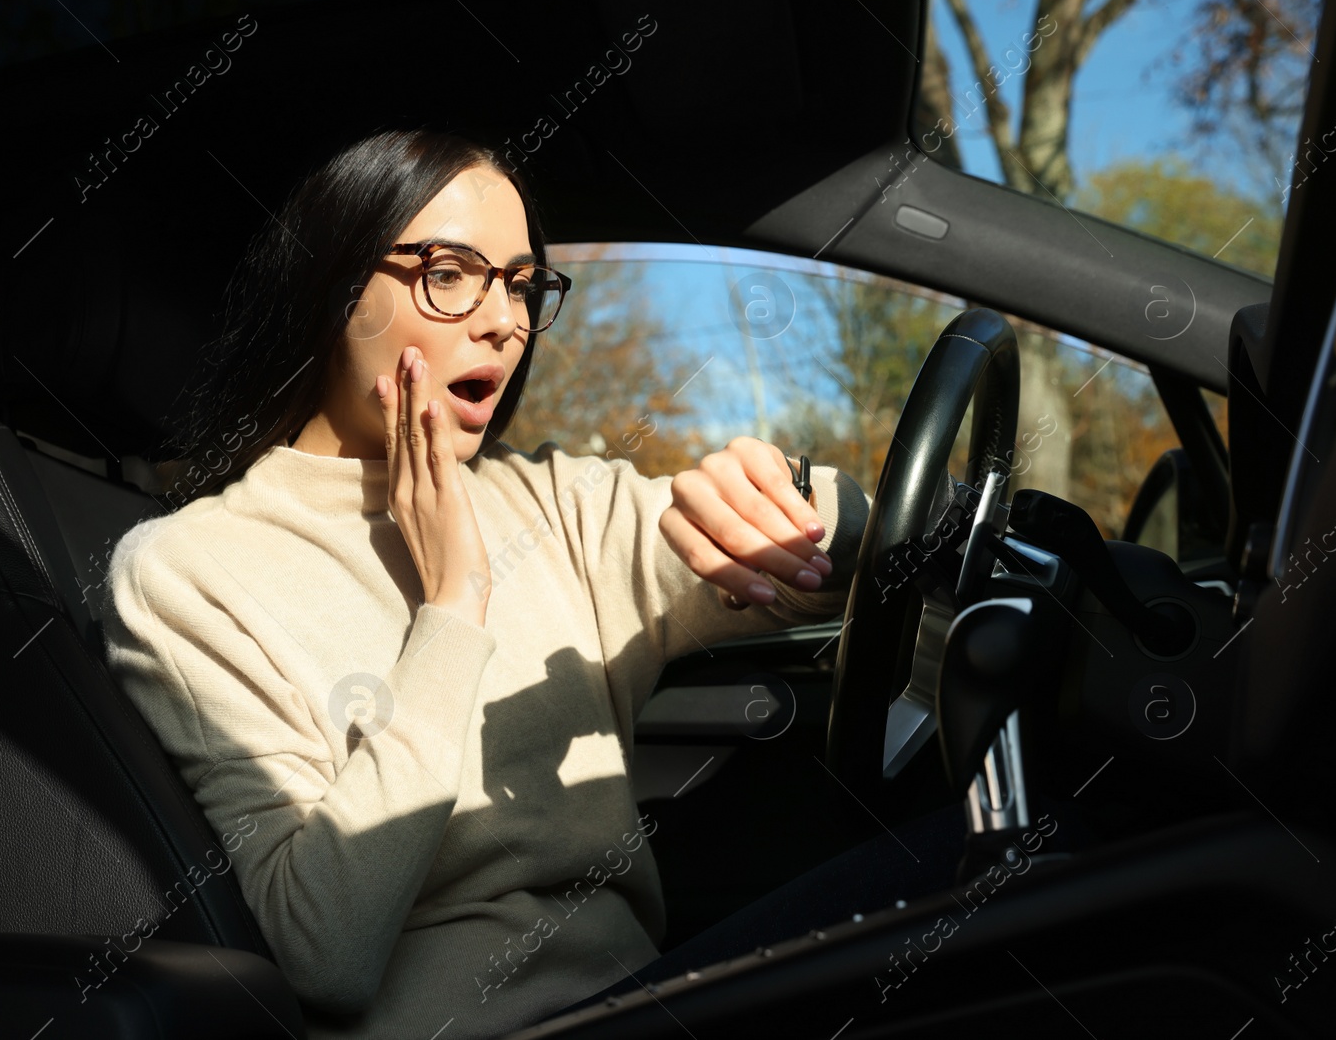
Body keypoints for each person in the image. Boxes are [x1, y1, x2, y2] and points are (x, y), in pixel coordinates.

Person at [104, 128, 878, 1039]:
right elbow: (325, 952)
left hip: (648, 990)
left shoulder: (547, 497)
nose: (504, 320)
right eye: (450, 273)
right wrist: (453, 604)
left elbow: (840, 527)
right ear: (335, 286)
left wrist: (784, 500)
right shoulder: (188, 573)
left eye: (519, 283)